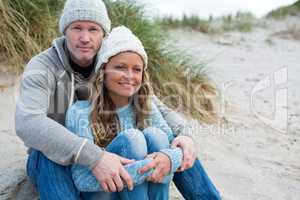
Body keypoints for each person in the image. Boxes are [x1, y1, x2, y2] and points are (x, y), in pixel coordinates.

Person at [15, 0, 221, 199]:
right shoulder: (43, 67)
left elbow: (153, 104)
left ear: (103, 34)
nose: (85, 38)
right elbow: (28, 122)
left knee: (176, 143)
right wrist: (95, 157)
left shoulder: (112, 60)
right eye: (77, 28)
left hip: (113, 150)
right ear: (64, 31)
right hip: (57, 157)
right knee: (50, 157)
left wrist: (185, 136)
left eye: (93, 29)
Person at [66, 26, 184, 200]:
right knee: (133, 138)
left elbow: (173, 149)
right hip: (102, 195)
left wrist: (168, 159)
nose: (129, 76)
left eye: (136, 69)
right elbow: (82, 180)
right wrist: (149, 167)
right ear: (103, 72)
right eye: (120, 67)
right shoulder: (81, 111)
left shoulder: (146, 107)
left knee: (157, 136)